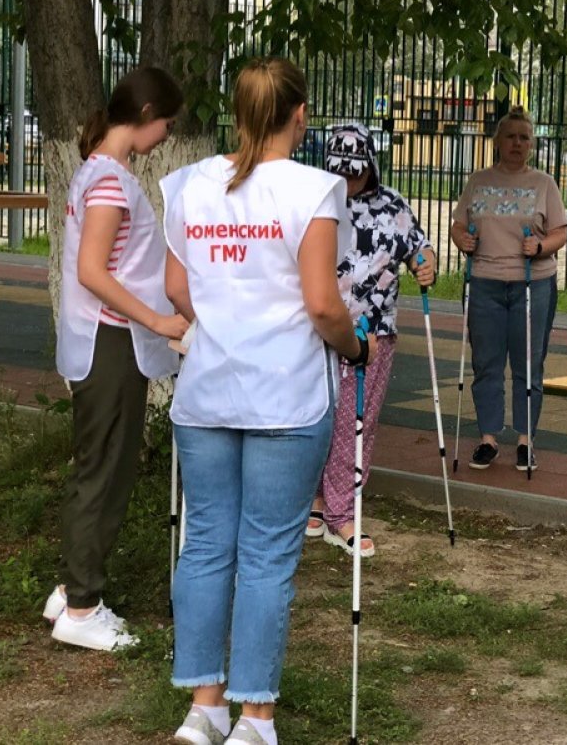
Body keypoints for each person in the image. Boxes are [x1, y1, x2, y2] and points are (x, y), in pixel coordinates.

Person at [161, 57, 371, 745]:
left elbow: (178, 290)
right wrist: (354, 348)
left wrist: (226, 318)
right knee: (267, 555)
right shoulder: (313, 189)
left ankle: (203, 706)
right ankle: (255, 717)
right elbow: (322, 303)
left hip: (208, 388)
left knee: (206, 546)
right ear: (300, 114)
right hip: (285, 393)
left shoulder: (190, 184)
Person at [45, 67, 189, 651]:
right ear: (148, 112)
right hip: (111, 343)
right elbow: (91, 271)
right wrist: (156, 319)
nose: (167, 134)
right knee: (105, 470)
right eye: (168, 124)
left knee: (100, 465)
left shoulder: (102, 170)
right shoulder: (109, 180)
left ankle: (71, 588)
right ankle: (82, 607)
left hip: (107, 342)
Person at [306, 123, 436, 558]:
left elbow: (419, 246)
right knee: (315, 414)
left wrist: (424, 263)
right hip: (317, 326)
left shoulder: (392, 205)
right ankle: (316, 501)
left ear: (370, 166)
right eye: (339, 171)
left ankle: (342, 514)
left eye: (355, 172)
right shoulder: (313, 198)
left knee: (355, 422)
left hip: (373, 331)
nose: (347, 181)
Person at [449, 106, 567, 472]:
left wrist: (540, 247)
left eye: (524, 137)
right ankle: (488, 438)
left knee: (528, 363)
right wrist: (462, 242)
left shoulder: (544, 183)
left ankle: (524, 440)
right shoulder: (478, 180)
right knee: (486, 363)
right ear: (497, 140)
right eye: (510, 136)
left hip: (531, 283)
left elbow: (560, 232)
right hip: (484, 280)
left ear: (532, 143)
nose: (517, 143)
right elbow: (458, 225)